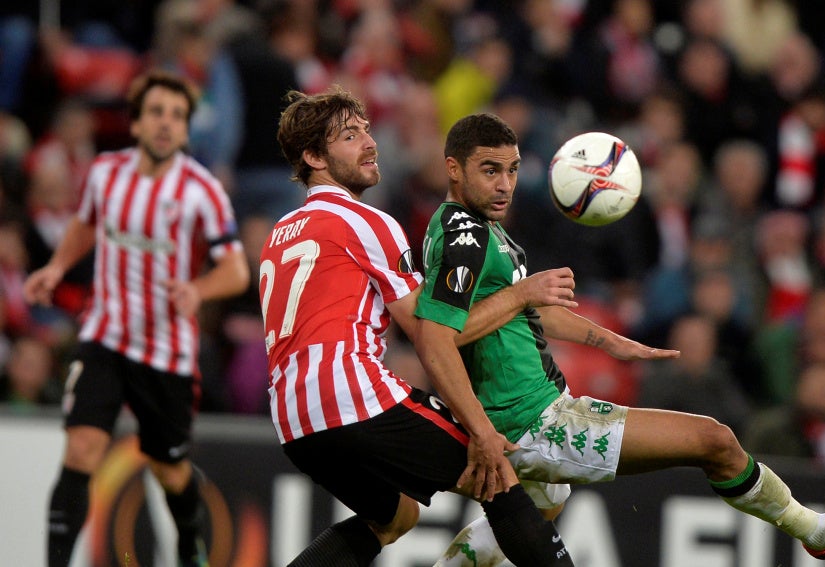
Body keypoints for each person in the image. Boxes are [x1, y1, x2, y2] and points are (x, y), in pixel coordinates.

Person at [414, 113, 825, 566]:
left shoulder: (479, 230)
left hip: (537, 407)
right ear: (453, 169)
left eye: (513, 170)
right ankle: (818, 532)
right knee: (713, 439)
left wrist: (607, 341)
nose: (504, 185)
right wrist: (523, 293)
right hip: (532, 421)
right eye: (490, 170)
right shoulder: (465, 237)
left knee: (541, 505)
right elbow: (439, 333)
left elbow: (515, 315)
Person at [264, 86, 578, 566]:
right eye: (350, 135)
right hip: (353, 397)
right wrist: (518, 296)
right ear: (312, 156)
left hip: (293, 420)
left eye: (367, 130)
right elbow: (434, 336)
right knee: (497, 474)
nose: (370, 142)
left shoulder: (279, 233)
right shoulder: (366, 221)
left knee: (395, 518)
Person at [22, 70, 251, 567]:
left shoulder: (202, 191)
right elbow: (85, 223)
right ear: (136, 123)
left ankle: (190, 541)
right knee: (81, 450)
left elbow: (235, 269)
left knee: (169, 469)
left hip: (166, 352)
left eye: (176, 115)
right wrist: (57, 267)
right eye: (156, 112)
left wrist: (198, 288)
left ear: (187, 130)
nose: (166, 123)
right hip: (104, 336)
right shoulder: (105, 173)